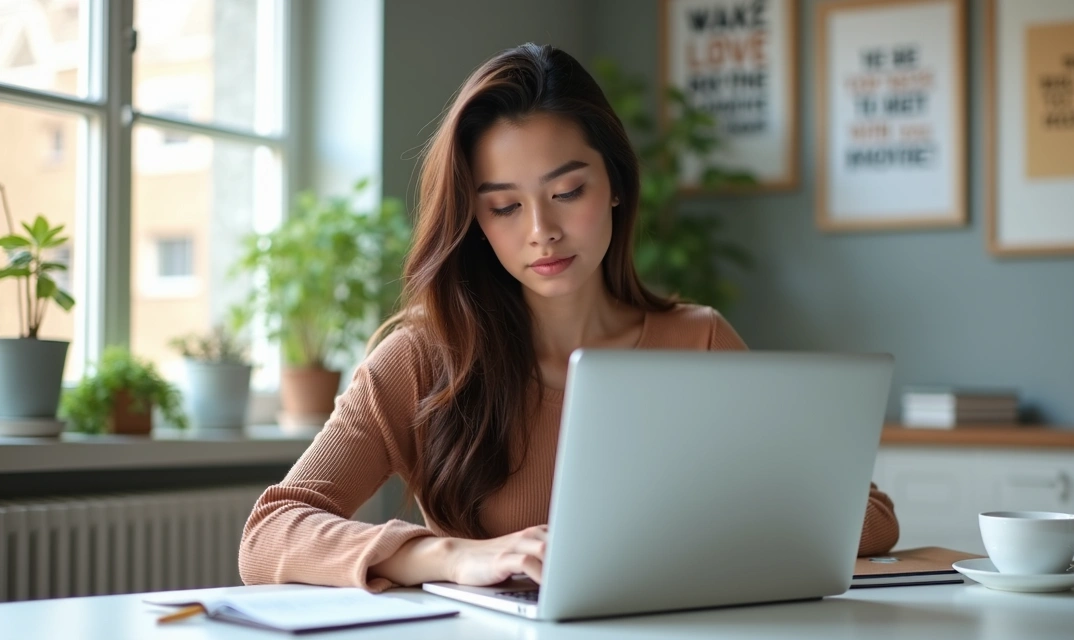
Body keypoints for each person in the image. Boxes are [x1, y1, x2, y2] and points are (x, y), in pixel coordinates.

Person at [238, 43, 899, 594]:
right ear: (475, 221)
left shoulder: (696, 341)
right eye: (504, 207)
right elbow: (269, 533)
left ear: (614, 186)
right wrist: (451, 556)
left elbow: (872, 518)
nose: (541, 231)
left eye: (567, 191)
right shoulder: (424, 357)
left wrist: (709, 516)